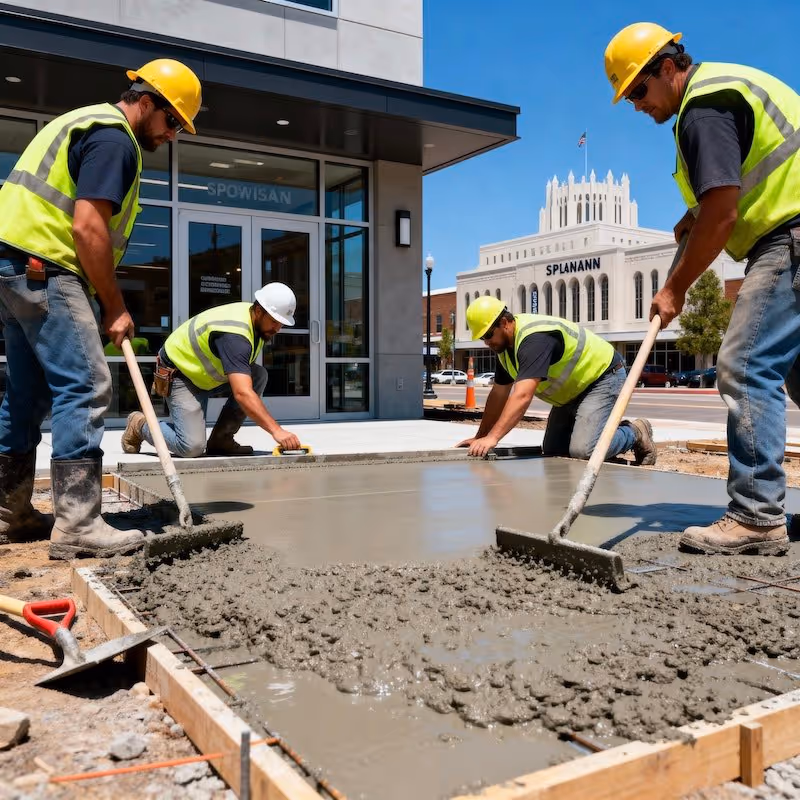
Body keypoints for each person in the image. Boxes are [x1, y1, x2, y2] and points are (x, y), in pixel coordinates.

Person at [605, 22, 799, 555]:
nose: (637, 106)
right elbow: (735, 183)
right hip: (790, 231)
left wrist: (675, 288)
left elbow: (724, 212)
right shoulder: (720, 90)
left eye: (639, 91)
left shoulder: (704, 106)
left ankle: (757, 517)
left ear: (668, 68)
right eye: (629, 98)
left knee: (744, 365)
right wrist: (695, 210)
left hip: (790, 238)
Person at [0, 59, 202, 559]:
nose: (172, 135)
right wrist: (114, 306)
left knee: (26, 393)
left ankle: (9, 512)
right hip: (45, 266)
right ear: (148, 101)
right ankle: (79, 525)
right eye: (172, 121)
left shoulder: (83, 120)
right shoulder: (116, 140)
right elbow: (88, 229)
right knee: (88, 384)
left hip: (14, 267)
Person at [457, 296, 656, 465]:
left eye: (489, 334)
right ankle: (603, 447)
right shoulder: (505, 350)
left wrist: (493, 438)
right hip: (571, 392)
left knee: (584, 450)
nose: (487, 342)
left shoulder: (534, 339)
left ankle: (635, 432)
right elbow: (498, 395)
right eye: (482, 338)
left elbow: (522, 396)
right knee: (554, 450)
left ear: (505, 322)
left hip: (601, 377)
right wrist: (481, 436)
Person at [122, 283, 302, 459]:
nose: (277, 328)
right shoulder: (234, 335)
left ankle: (221, 440)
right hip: (182, 375)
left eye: (281, 324)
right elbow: (242, 393)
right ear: (259, 311)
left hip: (206, 375)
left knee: (258, 375)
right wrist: (277, 431)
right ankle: (139, 424)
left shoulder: (257, 323)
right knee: (191, 447)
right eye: (274, 321)